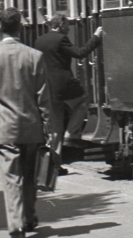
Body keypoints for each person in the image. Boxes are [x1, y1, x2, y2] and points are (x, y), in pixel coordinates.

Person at [0, 7, 52, 238]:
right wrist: (47, 125)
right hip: (31, 125)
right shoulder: (34, 56)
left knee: (12, 177)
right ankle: (30, 217)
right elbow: (43, 96)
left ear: (0, 27)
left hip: (4, 126)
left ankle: (16, 226)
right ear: (20, 26)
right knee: (30, 175)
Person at [33, 14, 102, 156]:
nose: (68, 30)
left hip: (46, 87)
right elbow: (80, 53)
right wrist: (96, 37)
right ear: (60, 25)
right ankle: (72, 134)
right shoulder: (60, 39)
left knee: (55, 127)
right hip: (62, 86)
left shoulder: (39, 41)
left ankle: (54, 164)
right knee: (83, 100)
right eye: (66, 26)